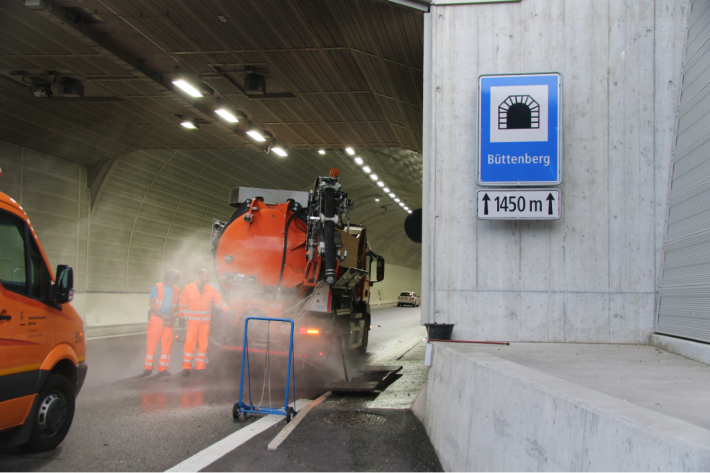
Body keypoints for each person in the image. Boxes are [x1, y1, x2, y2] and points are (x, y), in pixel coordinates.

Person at [179, 269, 232, 376]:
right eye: (205, 276)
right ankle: (186, 367)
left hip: (205, 323)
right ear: (199, 276)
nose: (207, 279)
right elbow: (182, 304)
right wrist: (181, 317)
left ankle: (200, 366)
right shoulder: (188, 288)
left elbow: (219, 301)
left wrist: (228, 310)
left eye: (208, 277)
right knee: (190, 344)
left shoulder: (210, 289)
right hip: (193, 323)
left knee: (203, 344)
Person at [142, 269, 181, 377]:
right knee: (152, 344)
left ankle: (163, 369)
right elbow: (152, 304)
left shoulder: (177, 290)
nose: (177, 281)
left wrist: (176, 313)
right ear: (169, 278)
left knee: (167, 346)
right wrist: (161, 314)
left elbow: (177, 305)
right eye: (175, 279)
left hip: (169, 321)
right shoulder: (157, 287)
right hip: (156, 319)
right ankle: (148, 368)